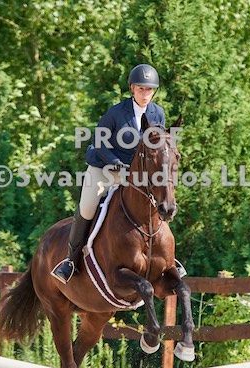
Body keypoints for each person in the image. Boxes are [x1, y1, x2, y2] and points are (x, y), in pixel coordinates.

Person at [51, 63, 167, 284]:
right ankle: (70, 260)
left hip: (133, 174)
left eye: (149, 90)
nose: (145, 94)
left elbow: (157, 146)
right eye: (141, 89)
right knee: (87, 208)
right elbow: (99, 142)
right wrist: (115, 163)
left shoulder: (157, 113)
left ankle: (166, 257)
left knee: (159, 203)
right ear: (132, 89)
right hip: (104, 167)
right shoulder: (116, 112)